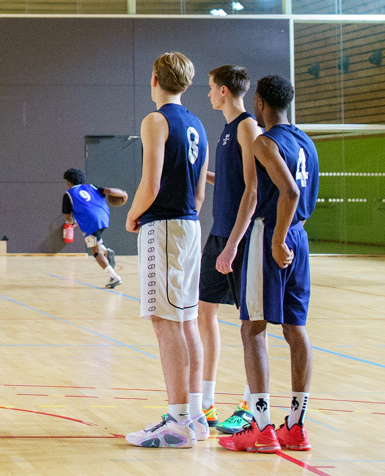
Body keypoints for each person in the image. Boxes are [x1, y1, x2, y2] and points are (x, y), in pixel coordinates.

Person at [219, 75, 319, 454]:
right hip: (300, 237)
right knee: (296, 329)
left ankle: (261, 429)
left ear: (260, 103)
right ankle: (295, 426)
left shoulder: (264, 142)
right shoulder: (306, 141)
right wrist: (289, 235)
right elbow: (303, 195)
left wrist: (276, 240)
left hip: (270, 235)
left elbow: (288, 190)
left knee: (252, 329)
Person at [123, 51, 209, 449]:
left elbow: (151, 182)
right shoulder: (198, 124)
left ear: (155, 79)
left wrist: (133, 215)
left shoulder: (155, 120)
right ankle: (195, 415)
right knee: (187, 320)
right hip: (189, 224)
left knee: (165, 322)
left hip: (164, 226)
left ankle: (177, 421)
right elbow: (199, 193)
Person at [199, 65, 260, 434]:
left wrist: (234, 244)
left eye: (210, 88)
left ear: (224, 90)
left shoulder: (247, 127)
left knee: (250, 323)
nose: (207, 94)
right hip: (218, 234)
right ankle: (206, 402)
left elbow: (252, 188)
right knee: (203, 311)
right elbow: (231, 181)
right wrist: (200, 175)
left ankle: (250, 405)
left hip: (241, 239)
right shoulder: (226, 129)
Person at [61, 170, 126, 289]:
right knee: (95, 240)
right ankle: (106, 251)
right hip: (104, 217)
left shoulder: (68, 194)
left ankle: (114, 277)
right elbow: (110, 191)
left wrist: (73, 223)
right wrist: (124, 195)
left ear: (69, 182)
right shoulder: (92, 187)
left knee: (95, 251)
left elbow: (68, 218)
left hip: (91, 221)